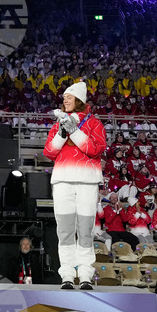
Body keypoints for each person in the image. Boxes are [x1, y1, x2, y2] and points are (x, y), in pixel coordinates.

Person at [43, 81, 107, 290]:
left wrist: (75, 132)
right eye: (64, 98)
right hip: (62, 180)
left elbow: (96, 149)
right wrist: (63, 132)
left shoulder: (94, 123)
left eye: (68, 97)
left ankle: (86, 274)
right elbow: (49, 152)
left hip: (87, 181)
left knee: (86, 230)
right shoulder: (58, 124)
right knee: (65, 231)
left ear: (78, 99)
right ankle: (68, 275)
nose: (64, 100)